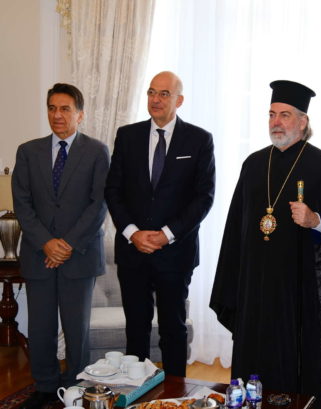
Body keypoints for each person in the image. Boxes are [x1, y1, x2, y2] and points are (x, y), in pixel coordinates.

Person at [210, 80, 321, 400]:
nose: (276, 122)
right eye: (272, 114)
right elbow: (235, 229)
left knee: (292, 373)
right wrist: (232, 284)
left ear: (303, 121)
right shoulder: (253, 164)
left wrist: (316, 220)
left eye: (285, 115)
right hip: (254, 290)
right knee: (251, 366)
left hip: (298, 295)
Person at [104, 71, 215, 376]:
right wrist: (132, 233)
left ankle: (175, 393)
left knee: (173, 329)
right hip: (133, 251)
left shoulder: (199, 140)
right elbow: (113, 190)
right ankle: (136, 391)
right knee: (136, 329)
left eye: (164, 94)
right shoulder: (127, 136)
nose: (156, 99)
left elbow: (204, 198)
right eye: (152, 92)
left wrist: (167, 235)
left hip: (176, 253)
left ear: (179, 100)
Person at [12, 83, 109, 409]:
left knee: (76, 328)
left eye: (65, 109)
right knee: (40, 327)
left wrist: (66, 244)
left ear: (80, 115)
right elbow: (22, 204)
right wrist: (47, 244)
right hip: (39, 254)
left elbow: (98, 204)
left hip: (79, 255)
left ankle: (76, 387)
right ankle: (44, 386)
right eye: (52, 108)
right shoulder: (28, 151)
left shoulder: (97, 152)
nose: (57, 115)